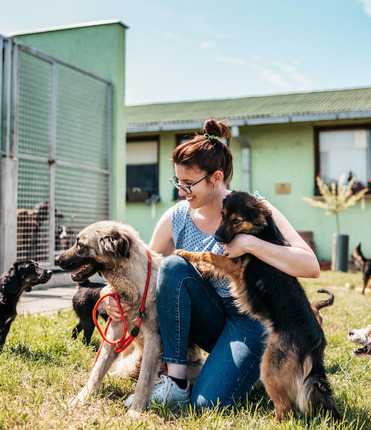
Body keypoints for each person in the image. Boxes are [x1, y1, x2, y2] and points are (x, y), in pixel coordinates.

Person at [105, 118, 320, 410]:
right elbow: (144, 273)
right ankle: (176, 381)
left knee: (208, 404)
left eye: (188, 183)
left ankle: (241, 367)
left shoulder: (252, 208)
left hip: (249, 321)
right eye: (177, 182)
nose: (181, 190)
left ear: (216, 178)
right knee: (172, 266)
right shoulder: (176, 217)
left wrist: (251, 244)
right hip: (205, 319)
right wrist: (111, 298)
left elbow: (310, 265)